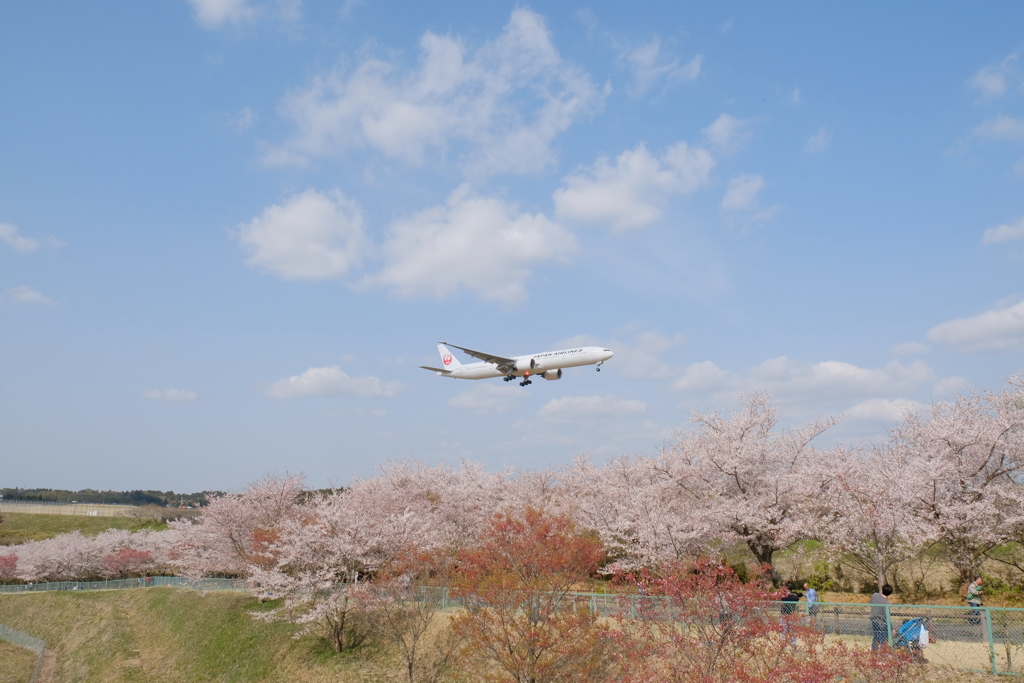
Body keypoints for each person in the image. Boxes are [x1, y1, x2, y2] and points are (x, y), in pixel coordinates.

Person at [869, 584, 894, 650]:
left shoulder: (875, 595)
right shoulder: (886, 603)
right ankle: (883, 652)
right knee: (883, 639)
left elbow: (871, 603)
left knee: (876, 637)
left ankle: (874, 651)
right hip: (882, 623)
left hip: (874, 620)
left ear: (882, 589)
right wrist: (891, 628)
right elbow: (887, 617)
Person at [780, 584, 802, 650]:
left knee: (783, 632)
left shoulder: (783, 597)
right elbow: (797, 598)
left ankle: (783, 647)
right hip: (791, 615)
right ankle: (793, 647)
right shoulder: (795, 598)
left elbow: (782, 597)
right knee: (792, 632)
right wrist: (797, 594)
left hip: (784, 615)